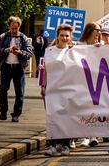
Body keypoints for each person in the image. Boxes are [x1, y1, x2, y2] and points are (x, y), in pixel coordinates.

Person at [42, 24, 74, 157]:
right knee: (53, 117)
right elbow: (46, 69)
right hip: (53, 89)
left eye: (67, 36)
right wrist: (43, 85)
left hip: (68, 90)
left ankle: (66, 145)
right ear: (57, 36)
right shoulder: (49, 51)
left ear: (70, 37)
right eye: (62, 35)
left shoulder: (74, 51)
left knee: (66, 117)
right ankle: (54, 146)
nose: (64, 38)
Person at [0, 16, 33, 122]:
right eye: (12, 28)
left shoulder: (23, 38)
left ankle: (16, 114)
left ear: (19, 27)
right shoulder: (3, 37)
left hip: (19, 67)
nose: (14, 30)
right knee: (3, 89)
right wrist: (7, 50)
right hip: (6, 66)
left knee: (20, 92)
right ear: (9, 26)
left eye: (16, 28)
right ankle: (3, 111)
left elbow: (29, 53)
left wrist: (19, 52)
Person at [75, 22, 102, 147]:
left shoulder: (101, 45)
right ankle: (85, 136)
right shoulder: (79, 45)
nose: (99, 32)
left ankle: (93, 135)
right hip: (82, 80)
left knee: (94, 108)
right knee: (84, 108)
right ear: (90, 30)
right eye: (97, 29)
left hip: (96, 81)